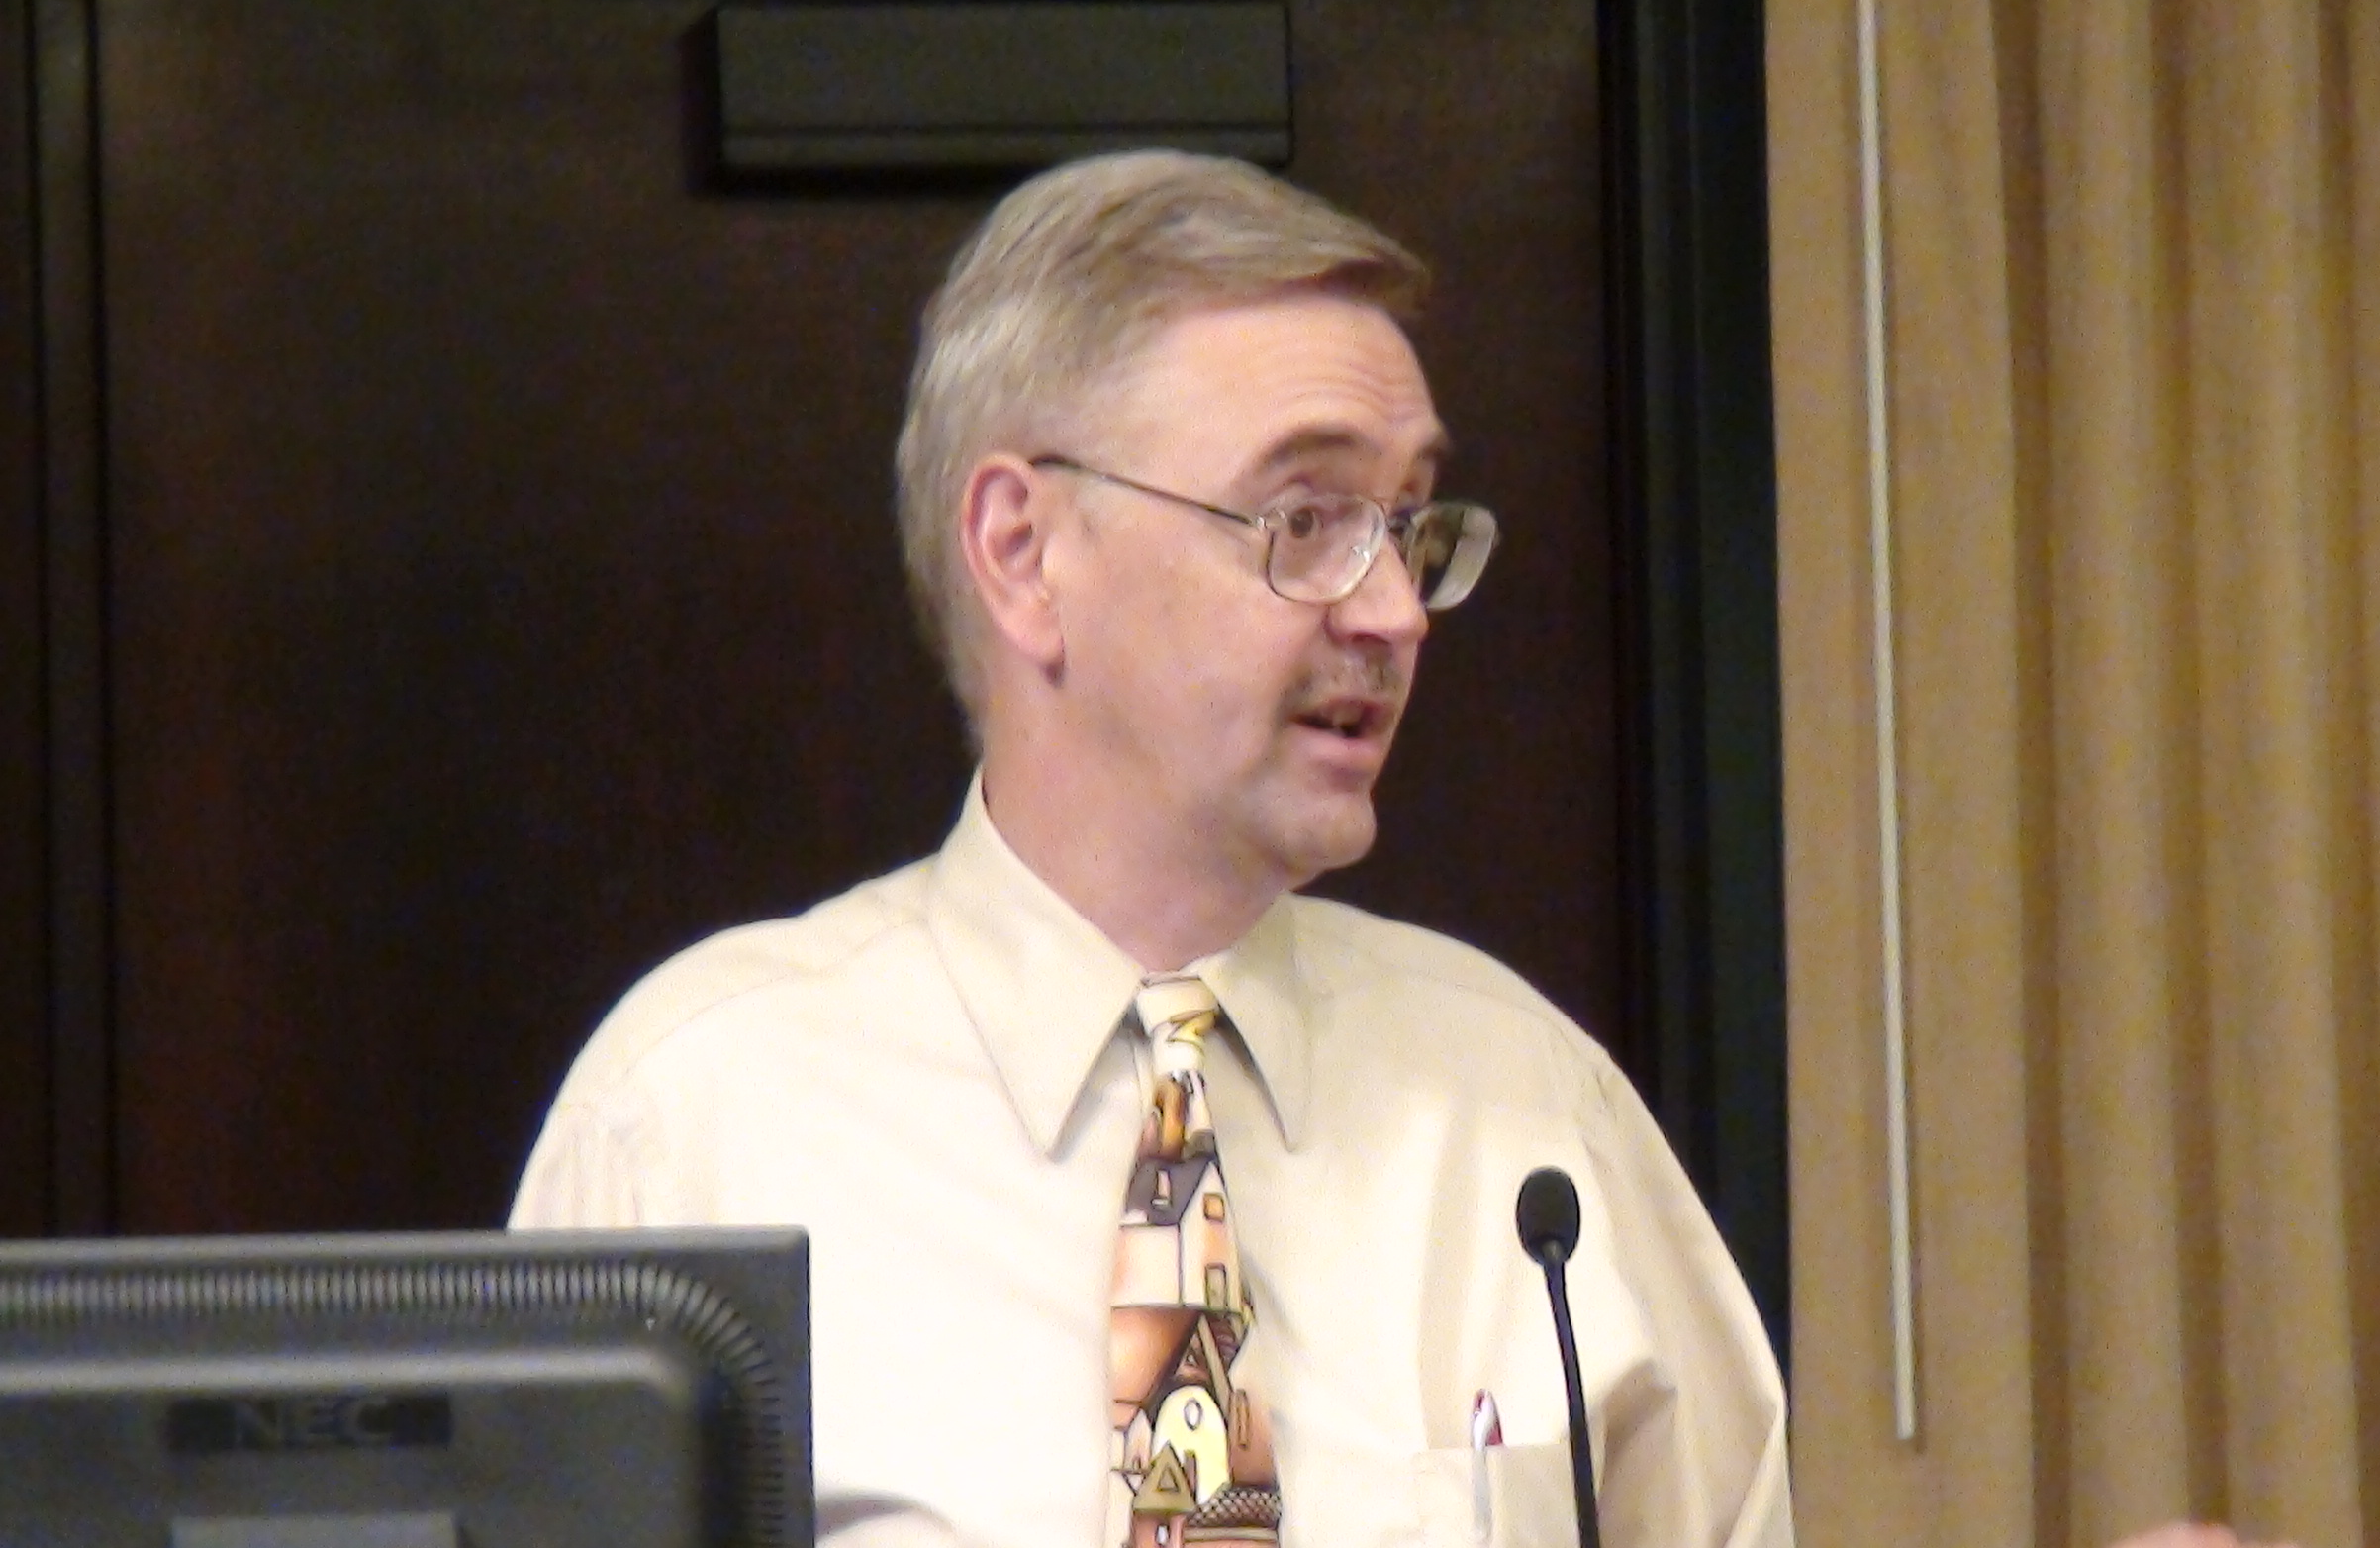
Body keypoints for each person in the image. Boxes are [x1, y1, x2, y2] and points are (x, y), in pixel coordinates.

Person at [512, 150, 1792, 1547]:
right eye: (1306, 520)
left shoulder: (1532, 1113)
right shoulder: (695, 1123)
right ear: (1024, 553)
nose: (1394, 614)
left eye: (1407, 526)